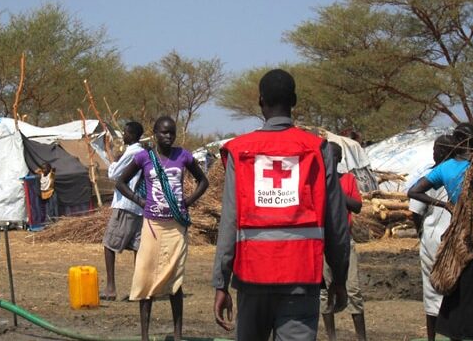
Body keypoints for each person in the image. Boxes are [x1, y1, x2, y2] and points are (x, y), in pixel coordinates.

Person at [212, 69, 350, 341]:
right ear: (294, 101)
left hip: (252, 275)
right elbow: (337, 222)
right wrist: (340, 277)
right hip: (302, 276)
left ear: (260, 101)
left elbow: (229, 220)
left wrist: (221, 283)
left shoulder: (240, 151)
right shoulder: (318, 149)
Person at [408, 122, 473, 340]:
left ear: (458, 141)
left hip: (461, 234)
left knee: (457, 287)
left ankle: (456, 335)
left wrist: (444, 204)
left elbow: (414, 191)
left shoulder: (445, 169)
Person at [115, 115, 209, 341]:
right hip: (152, 225)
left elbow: (203, 181)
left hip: (176, 227)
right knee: (146, 277)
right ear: (154, 133)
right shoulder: (144, 157)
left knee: (175, 280)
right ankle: (145, 336)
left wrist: (187, 202)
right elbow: (120, 182)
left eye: (172, 132)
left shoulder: (183, 156)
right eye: (164, 132)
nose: (169, 136)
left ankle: (177, 335)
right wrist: (140, 201)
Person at [408, 134, 457, 341]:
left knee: (432, 293)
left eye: (436, 149)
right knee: (454, 292)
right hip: (455, 241)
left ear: (444, 152)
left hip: (433, 240)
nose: (433, 153)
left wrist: (422, 233)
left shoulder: (432, 177)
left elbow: (415, 213)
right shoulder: (461, 174)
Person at [321, 141, 366, 341]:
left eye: (330, 156)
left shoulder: (347, 180)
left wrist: (333, 189)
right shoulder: (315, 181)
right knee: (324, 292)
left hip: (344, 241)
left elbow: (356, 205)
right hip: (321, 242)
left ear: (338, 159)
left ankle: (361, 337)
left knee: (353, 289)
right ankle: (332, 337)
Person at [102, 121, 145, 301]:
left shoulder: (133, 152)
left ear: (133, 135)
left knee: (109, 244)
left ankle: (111, 288)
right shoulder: (142, 152)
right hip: (138, 207)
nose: (124, 136)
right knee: (137, 248)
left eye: (126, 133)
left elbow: (114, 175)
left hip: (125, 205)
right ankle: (138, 289)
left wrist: (112, 159)